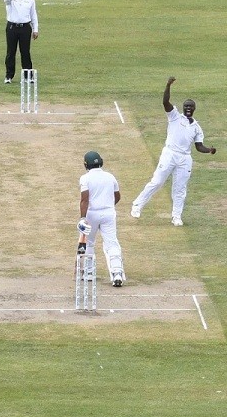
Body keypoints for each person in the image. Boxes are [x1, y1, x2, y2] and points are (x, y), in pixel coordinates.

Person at [130, 77, 217, 226]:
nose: (188, 108)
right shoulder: (175, 116)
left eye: (191, 107)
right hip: (169, 154)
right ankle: (137, 205)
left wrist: (209, 150)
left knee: (180, 189)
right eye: (186, 106)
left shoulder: (196, 127)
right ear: (183, 108)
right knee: (157, 182)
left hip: (185, 158)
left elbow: (198, 146)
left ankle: (176, 216)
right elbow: (165, 102)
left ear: (194, 109)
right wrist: (168, 85)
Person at [79, 151, 126, 287]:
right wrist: (108, 207)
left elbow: (84, 199)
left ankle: (88, 272)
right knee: (112, 243)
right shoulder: (110, 177)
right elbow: (117, 196)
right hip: (109, 214)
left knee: (89, 242)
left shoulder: (85, 178)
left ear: (86, 165)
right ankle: (117, 273)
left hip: (91, 214)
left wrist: (82, 218)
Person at [3, 0, 39, 84]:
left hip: (25, 28)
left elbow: (33, 14)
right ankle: (9, 76)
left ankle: (28, 76)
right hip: (12, 27)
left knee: (25, 52)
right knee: (11, 52)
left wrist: (35, 29)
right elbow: (6, 0)